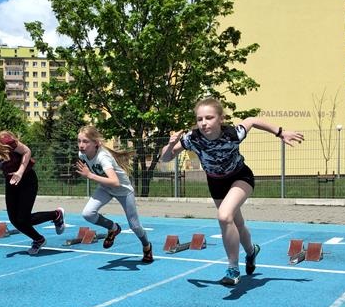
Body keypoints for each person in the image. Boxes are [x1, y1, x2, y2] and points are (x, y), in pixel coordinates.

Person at [160, 97, 304, 286]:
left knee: (224, 216)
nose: (204, 123)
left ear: (221, 119)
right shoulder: (192, 138)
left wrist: (280, 132)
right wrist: (171, 145)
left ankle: (233, 269)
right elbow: (165, 158)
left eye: (209, 118)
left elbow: (252, 120)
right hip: (216, 182)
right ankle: (251, 251)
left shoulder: (233, 134)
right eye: (200, 119)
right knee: (238, 223)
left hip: (240, 177)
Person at [0, 110, 65, 254]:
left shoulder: (4, 139)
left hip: (26, 179)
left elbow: (27, 151)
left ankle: (56, 214)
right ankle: (38, 239)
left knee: (23, 218)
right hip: (11, 182)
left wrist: (20, 172)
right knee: (15, 220)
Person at [76, 126, 153, 263]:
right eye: (79, 141)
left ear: (96, 143)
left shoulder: (103, 157)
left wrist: (90, 175)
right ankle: (113, 228)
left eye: (86, 141)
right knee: (87, 214)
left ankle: (147, 246)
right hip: (105, 188)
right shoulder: (82, 155)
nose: (81, 145)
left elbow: (115, 182)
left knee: (134, 226)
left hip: (123, 191)